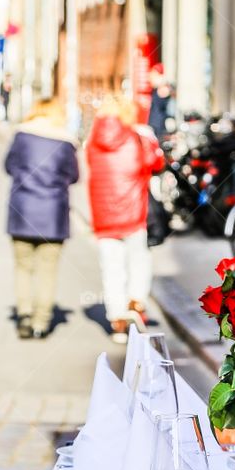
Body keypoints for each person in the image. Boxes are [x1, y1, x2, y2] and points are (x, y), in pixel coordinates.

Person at [85, 95, 164, 344]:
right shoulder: (136, 138)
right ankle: (136, 303)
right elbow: (156, 162)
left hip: (104, 216)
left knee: (111, 268)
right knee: (139, 261)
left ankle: (117, 321)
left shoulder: (92, 141)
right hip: (133, 213)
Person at [4, 97, 79, 340]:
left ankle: (24, 314)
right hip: (54, 214)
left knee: (23, 267)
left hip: (22, 210)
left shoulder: (22, 136)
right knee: (48, 270)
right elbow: (74, 176)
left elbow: (8, 166)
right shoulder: (66, 142)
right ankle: (41, 321)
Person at [146, 63, 174, 141]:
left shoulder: (164, 89)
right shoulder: (155, 90)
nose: (151, 78)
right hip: (154, 125)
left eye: (154, 75)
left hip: (160, 127)